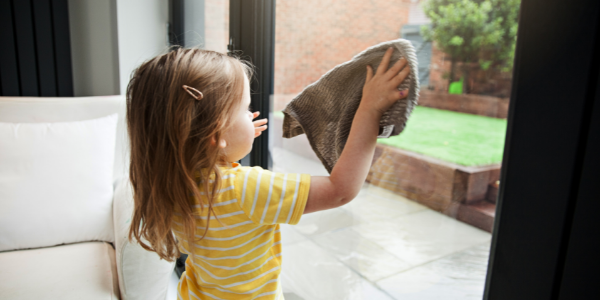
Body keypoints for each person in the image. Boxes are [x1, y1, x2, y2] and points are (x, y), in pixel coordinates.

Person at [126, 47, 410, 300]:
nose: (251, 115)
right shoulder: (245, 189)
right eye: (245, 109)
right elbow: (340, 190)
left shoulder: (166, 180)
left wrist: (232, 136)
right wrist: (370, 110)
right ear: (215, 134)